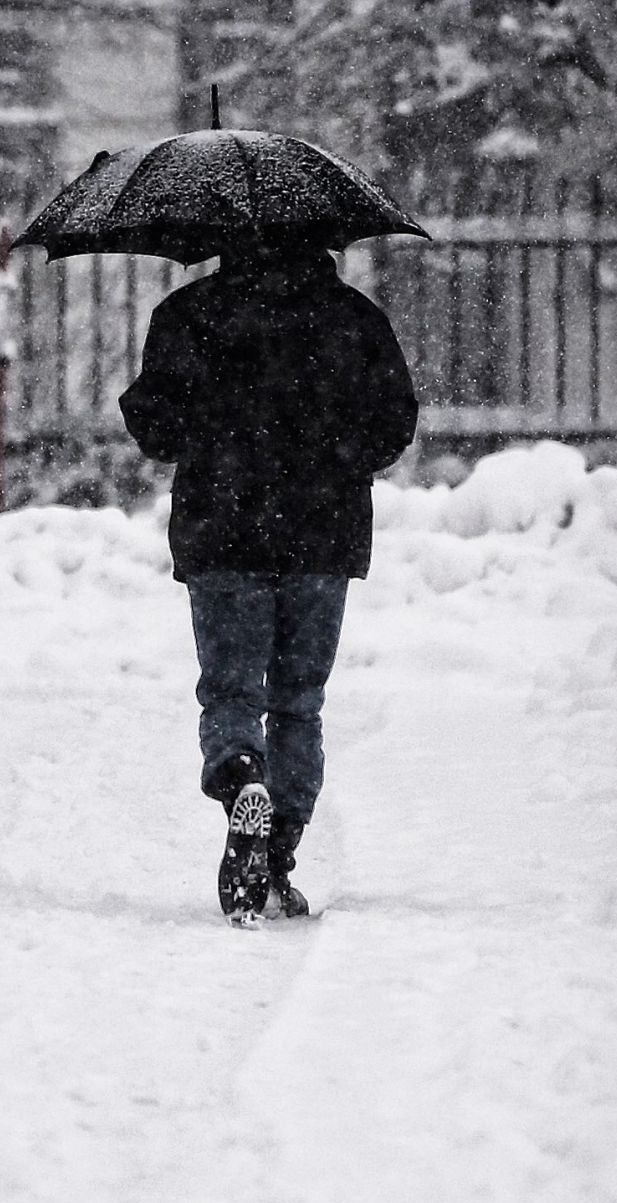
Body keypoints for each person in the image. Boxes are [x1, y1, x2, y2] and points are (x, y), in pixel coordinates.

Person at [119, 233, 417, 922]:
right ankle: (277, 853)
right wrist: (331, 453)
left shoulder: (190, 314)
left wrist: (213, 426)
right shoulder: (354, 318)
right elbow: (392, 423)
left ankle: (240, 776)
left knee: (230, 691)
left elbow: (156, 429)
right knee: (297, 699)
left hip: (222, 530)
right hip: (322, 532)